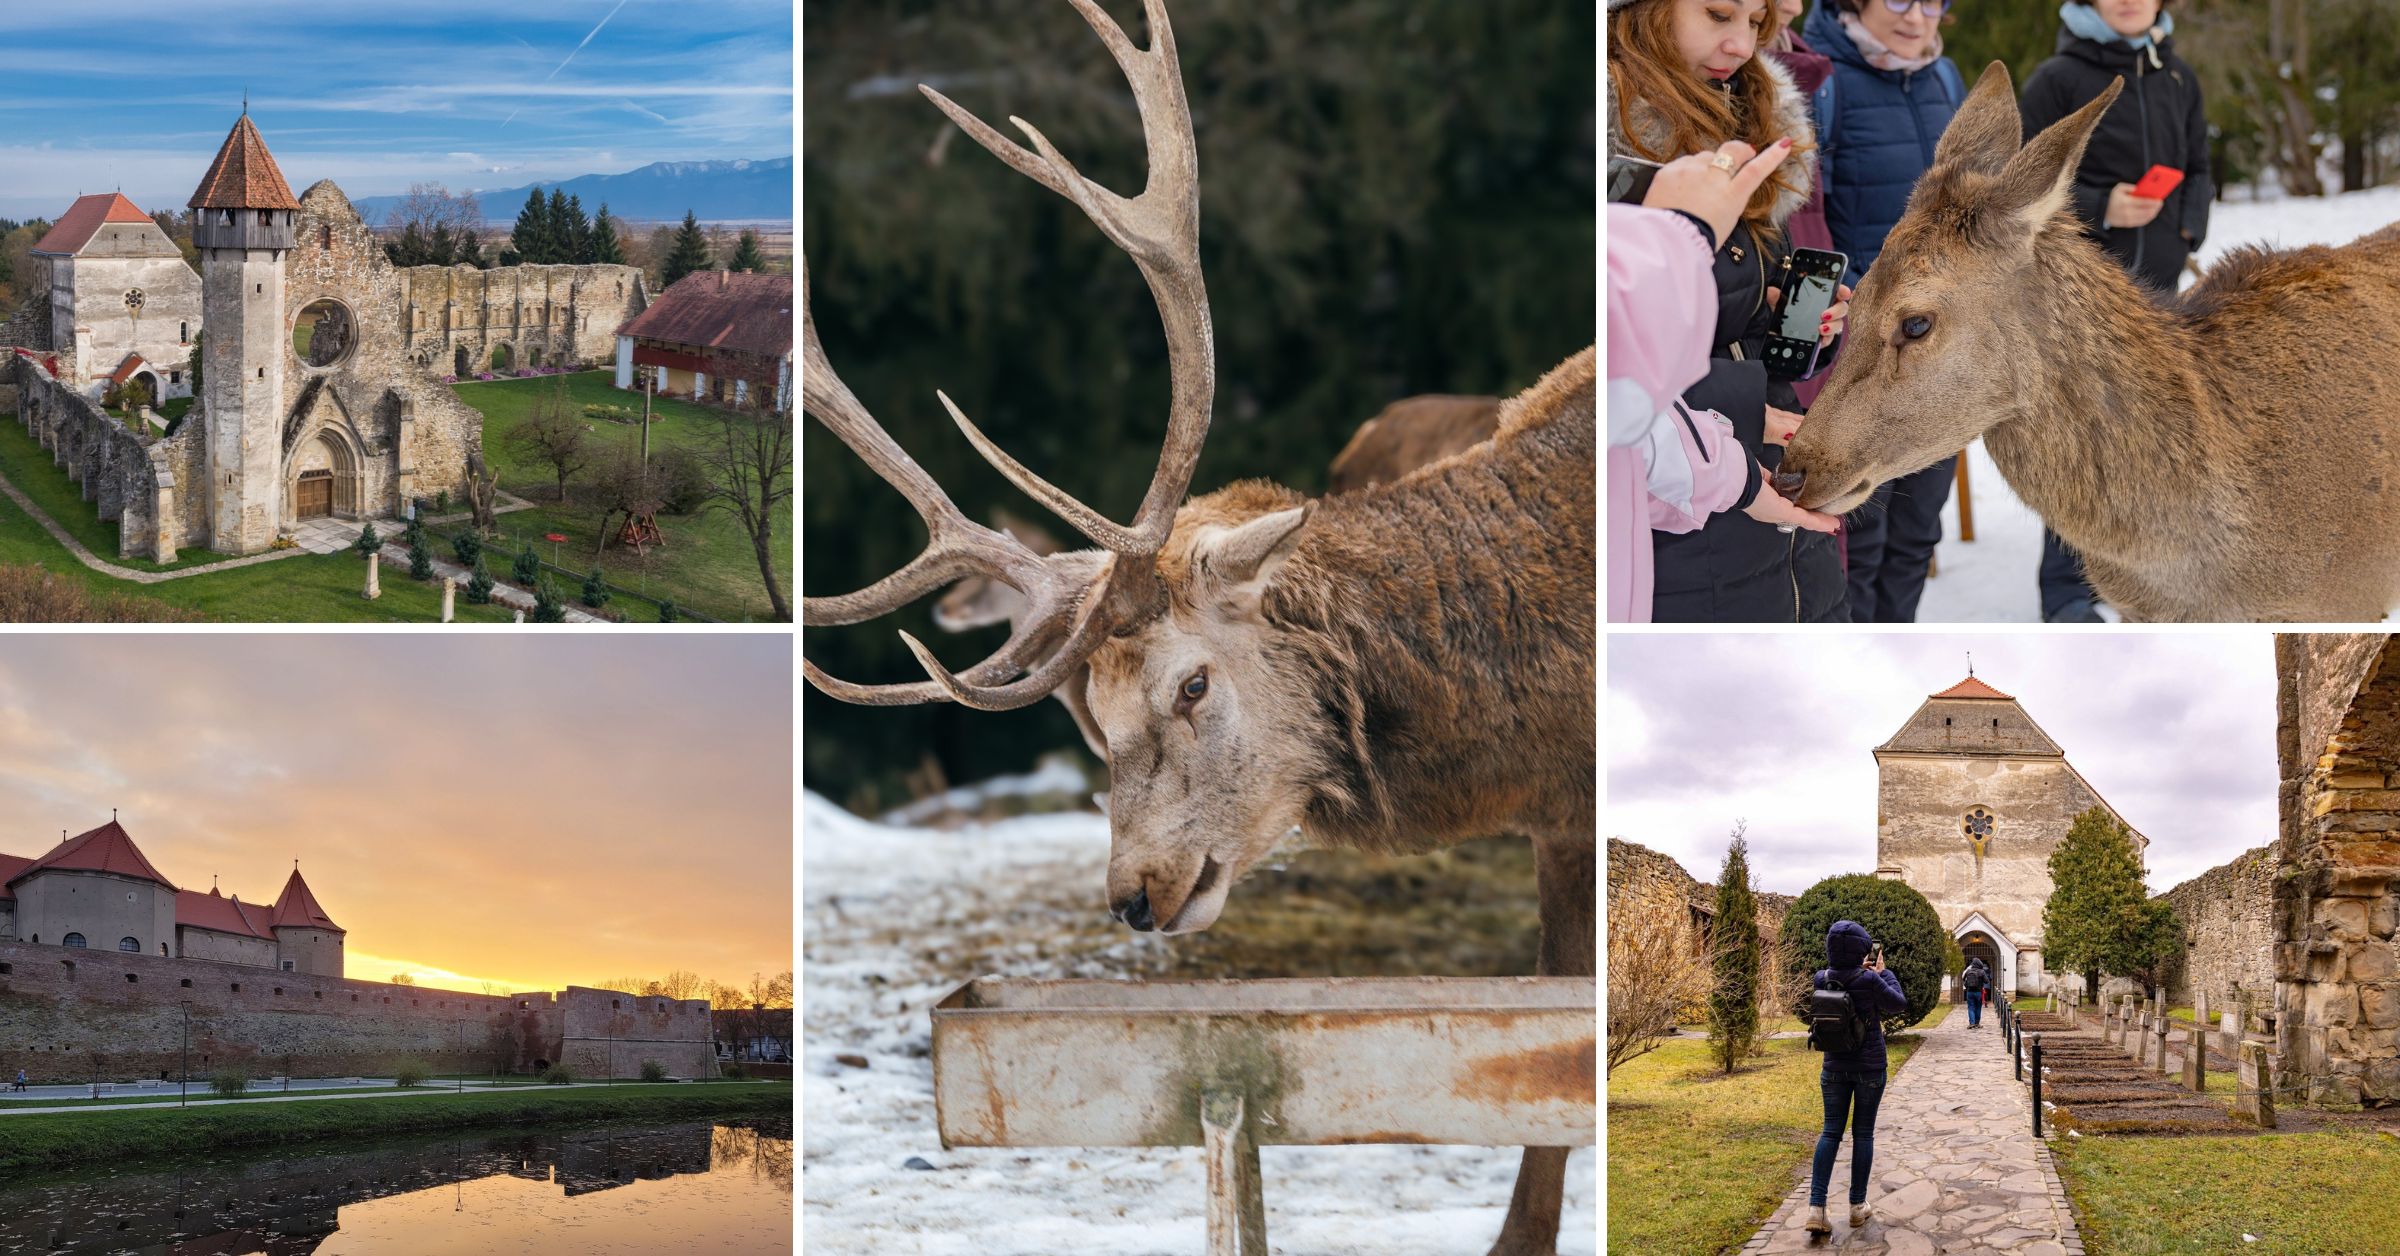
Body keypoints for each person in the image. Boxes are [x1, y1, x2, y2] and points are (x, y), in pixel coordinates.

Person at [1609, 0, 1854, 622]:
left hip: (1778, 505)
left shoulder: (1743, 117)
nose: (1744, 46)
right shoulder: (1609, 162)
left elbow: (1733, 323)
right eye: (1719, 14)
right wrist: (1745, 404)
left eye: (1755, 20)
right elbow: (1596, 375)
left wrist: (1795, 325)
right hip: (1686, 534)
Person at [2020, 0, 2210, 622]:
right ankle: (2067, 592)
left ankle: (2144, 576)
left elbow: (2199, 169)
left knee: (2155, 439)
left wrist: (2188, 231)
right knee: (2078, 443)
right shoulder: (2056, 80)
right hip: (2080, 304)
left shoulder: (2178, 76)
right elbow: (2018, 187)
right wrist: (2103, 204)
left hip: (2162, 295)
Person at [1804, 0, 1968, 622]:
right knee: (1859, 530)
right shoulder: (1821, 82)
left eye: (1932, 2)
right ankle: (1860, 646)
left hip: (1939, 353)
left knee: (1918, 529)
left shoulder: (1945, 79)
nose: (1916, 17)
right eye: (1896, 0)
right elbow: (1809, 220)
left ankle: (1901, 637)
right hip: (1858, 352)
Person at [1807, 919, 1907, 1235]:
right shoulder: (1871, 979)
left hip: (1834, 1068)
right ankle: (1856, 1206)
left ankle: (1816, 1208)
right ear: (1863, 950)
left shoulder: (1822, 978)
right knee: (1863, 1134)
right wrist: (1883, 973)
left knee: (1830, 1133)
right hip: (1869, 1067)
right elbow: (1898, 1003)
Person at [1962, 956, 1991, 1028]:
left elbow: (1963, 978)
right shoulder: (1982, 971)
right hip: (1978, 992)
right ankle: (1977, 1023)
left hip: (1969, 992)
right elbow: (1987, 981)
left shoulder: (1968, 971)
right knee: (1978, 1007)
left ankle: (1972, 1023)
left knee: (1970, 1007)